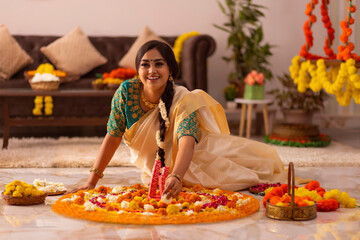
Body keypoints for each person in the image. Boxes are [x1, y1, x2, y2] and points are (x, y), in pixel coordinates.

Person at [69, 40, 285, 198]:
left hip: (193, 157)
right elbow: (113, 136)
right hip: (157, 166)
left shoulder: (183, 98)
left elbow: (187, 142)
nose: (151, 70)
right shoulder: (126, 92)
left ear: (170, 69)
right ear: (137, 70)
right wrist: (92, 181)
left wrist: (177, 177)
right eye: (145, 64)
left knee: (242, 174)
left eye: (158, 64)